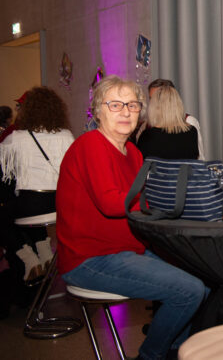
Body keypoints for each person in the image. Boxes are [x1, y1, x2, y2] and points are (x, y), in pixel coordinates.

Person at [56, 76, 207, 360]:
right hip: (90, 258)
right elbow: (112, 203)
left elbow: (143, 201)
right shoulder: (91, 145)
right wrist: (163, 203)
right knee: (189, 290)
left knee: (203, 276)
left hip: (128, 250)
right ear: (98, 111)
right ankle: (151, 355)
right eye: (115, 105)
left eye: (132, 105)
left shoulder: (133, 153)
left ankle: (175, 350)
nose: (125, 112)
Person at [0, 87, 74, 283]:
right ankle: (46, 255)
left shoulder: (16, 138)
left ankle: (29, 259)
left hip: (30, 204)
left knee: (6, 214)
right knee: (27, 209)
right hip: (60, 204)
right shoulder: (67, 136)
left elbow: (5, 173)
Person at [136, 79, 205, 160]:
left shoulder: (189, 121)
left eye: (159, 98)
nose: (154, 103)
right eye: (151, 99)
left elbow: (200, 158)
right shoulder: (145, 127)